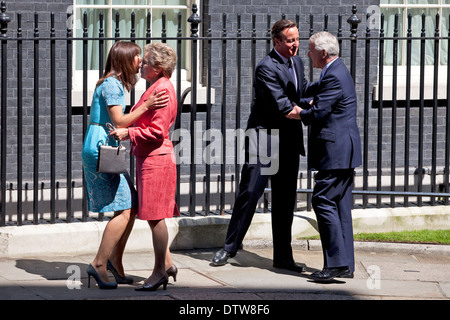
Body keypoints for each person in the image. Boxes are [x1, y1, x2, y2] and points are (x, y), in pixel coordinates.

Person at [211, 19, 308, 272]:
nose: (295, 45)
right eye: (289, 40)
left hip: (288, 140)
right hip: (263, 138)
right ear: (276, 41)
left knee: (286, 199)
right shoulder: (266, 67)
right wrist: (311, 113)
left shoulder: (297, 62)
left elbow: (303, 91)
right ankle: (230, 248)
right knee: (250, 193)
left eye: (297, 39)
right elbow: (284, 106)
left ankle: (283, 257)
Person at [82, 41, 169, 289]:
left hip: (101, 146)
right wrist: (147, 106)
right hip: (103, 149)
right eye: (137, 57)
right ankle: (100, 264)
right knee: (126, 207)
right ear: (125, 60)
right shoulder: (113, 85)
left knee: (128, 202)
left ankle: (114, 263)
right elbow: (119, 121)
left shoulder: (111, 83)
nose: (140, 61)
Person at [287, 31, 362, 282]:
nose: (306, 54)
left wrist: (296, 113)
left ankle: (337, 265)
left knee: (322, 201)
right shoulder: (334, 70)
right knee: (339, 206)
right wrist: (306, 99)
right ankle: (345, 264)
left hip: (336, 153)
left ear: (322, 53)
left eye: (309, 50)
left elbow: (318, 112)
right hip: (343, 152)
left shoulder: (334, 76)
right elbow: (314, 94)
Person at [111, 42, 179, 291]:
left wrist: (127, 133)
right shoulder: (158, 86)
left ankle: (159, 271)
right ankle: (168, 264)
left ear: (159, 68)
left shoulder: (162, 90)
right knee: (152, 216)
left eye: (148, 61)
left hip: (156, 160)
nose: (143, 64)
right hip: (150, 159)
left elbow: (158, 131)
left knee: (156, 217)